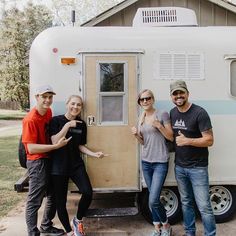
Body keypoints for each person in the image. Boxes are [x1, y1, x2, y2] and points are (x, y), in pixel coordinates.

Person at [49, 95, 105, 236]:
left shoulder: (82, 124)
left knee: (87, 192)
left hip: (75, 165)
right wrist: (67, 125)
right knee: (60, 202)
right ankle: (69, 232)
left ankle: (78, 220)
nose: (75, 107)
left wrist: (94, 154)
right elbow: (54, 141)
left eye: (79, 105)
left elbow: (80, 145)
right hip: (58, 166)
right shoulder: (56, 120)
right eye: (73, 103)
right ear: (67, 104)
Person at [22, 85, 71, 236]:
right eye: (44, 97)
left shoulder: (48, 112)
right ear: (37, 97)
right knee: (34, 200)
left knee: (53, 195)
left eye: (50, 97)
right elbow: (31, 148)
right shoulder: (30, 119)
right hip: (37, 162)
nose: (48, 100)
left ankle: (46, 226)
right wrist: (56, 146)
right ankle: (32, 232)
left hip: (49, 158)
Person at [169, 80, 216, 236]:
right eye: (175, 93)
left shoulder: (199, 113)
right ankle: (190, 233)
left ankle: (210, 234)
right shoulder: (172, 113)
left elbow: (209, 140)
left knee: (204, 206)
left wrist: (187, 140)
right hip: (180, 167)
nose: (178, 96)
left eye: (181, 92)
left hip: (198, 168)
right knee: (186, 203)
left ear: (187, 93)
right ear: (171, 96)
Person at [131, 89, 173, 236]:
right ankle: (157, 228)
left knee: (154, 199)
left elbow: (171, 137)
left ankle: (166, 225)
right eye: (142, 100)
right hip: (146, 162)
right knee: (151, 198)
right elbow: (144, 142)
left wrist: (159, 126)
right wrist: (137, 135)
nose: (145, 101)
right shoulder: (141, 116)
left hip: (160, 161)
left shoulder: (162, 114)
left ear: (152, 99)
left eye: (147, 98)